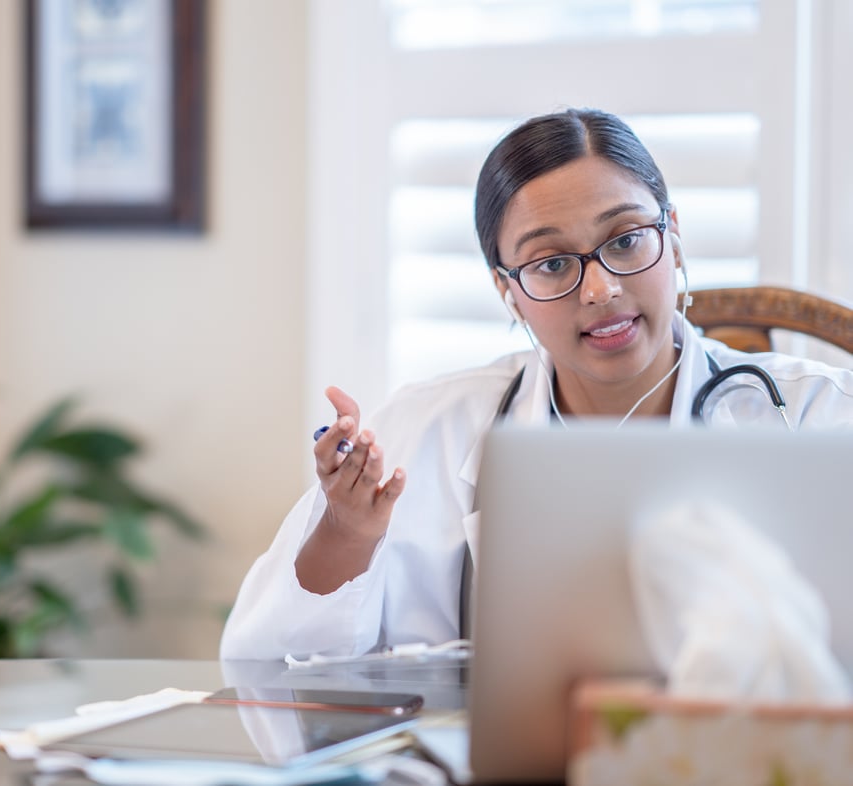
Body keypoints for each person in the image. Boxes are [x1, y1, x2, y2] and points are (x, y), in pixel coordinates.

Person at [219, 107, 853, 661]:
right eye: (552, 263)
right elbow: (267, 664)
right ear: (508, 290)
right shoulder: (426, 431)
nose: (601, 289)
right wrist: (350, 533)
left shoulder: (823, 419)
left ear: (674, 236)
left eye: (627, 240)